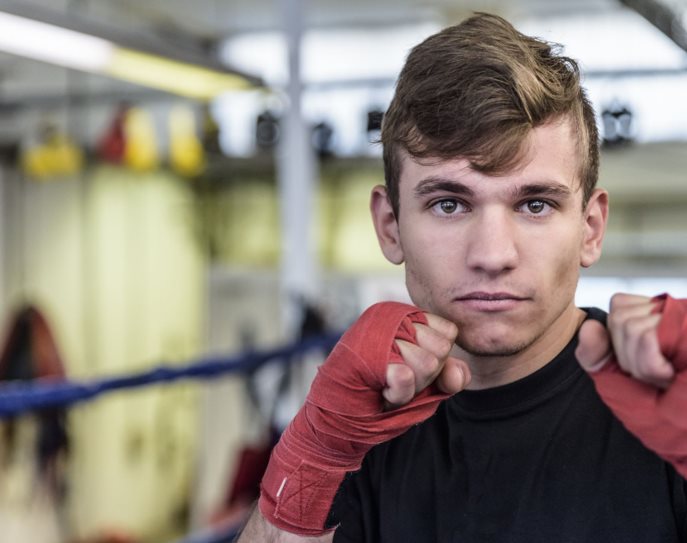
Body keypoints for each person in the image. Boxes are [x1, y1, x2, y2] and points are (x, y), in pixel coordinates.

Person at [237, 12, 687, 542]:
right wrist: (312, 454)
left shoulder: (666, 411)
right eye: (449, 204)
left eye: (535, 204)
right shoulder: (358, 430)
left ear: (590, 229)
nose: (493, 255)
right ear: (390, 226)